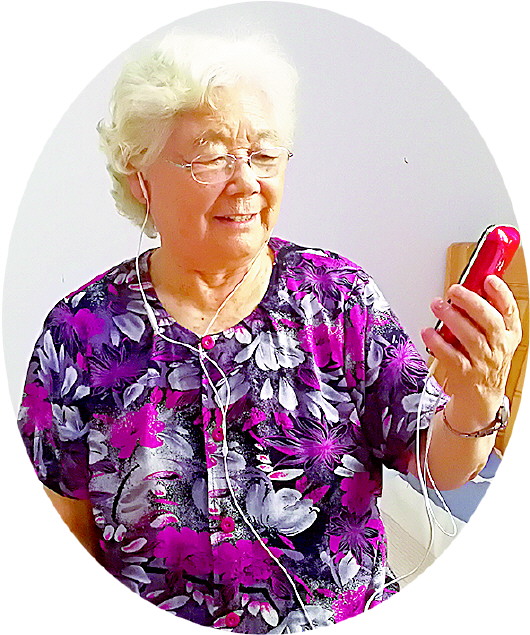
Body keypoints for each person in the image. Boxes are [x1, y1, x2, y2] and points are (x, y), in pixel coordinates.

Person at [17, 31, 521, 632]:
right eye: (211, 156)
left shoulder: (337, 298)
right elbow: (63, 538)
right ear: (139, 178)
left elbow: (439, 465)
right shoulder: (79, 334)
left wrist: (475, 401)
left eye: (262, 154)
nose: (245, 181)